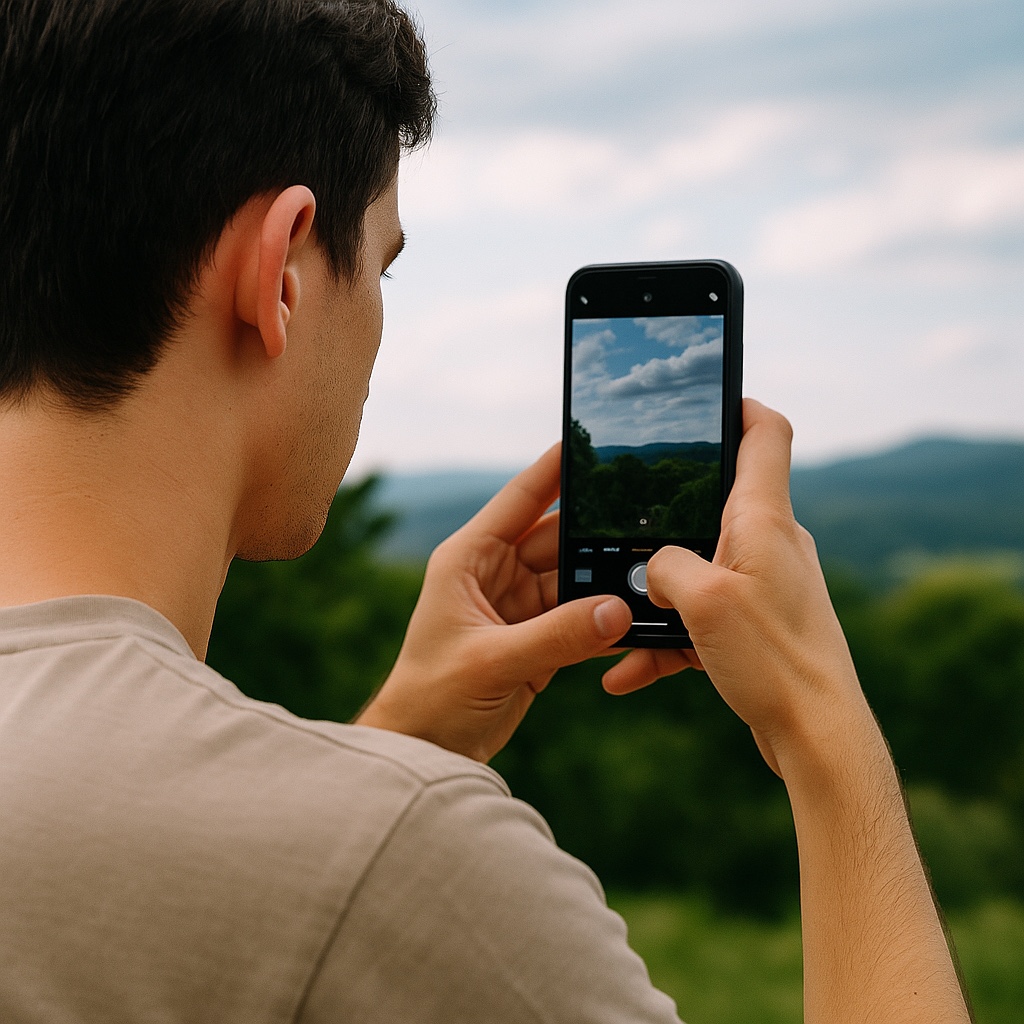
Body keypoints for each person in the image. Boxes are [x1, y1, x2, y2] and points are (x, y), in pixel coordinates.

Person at [0, 0, 972, 1021]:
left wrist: (392, 746)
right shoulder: (416, 861)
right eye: (382, 265)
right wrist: (824, 727)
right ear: (281, 271)